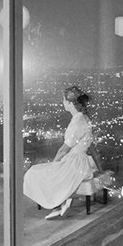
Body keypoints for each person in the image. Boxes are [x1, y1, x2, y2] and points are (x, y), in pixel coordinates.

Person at [24, 86, 93, 219]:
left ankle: (56, 204)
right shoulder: (84, 118)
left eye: (63, 100)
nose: (62, 103)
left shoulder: (77, 121)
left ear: (70, 103)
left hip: (74, 164)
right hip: (81, 163)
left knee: (34, 171)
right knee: (41, 171)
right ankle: (62, 204)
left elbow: (63, 150)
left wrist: (54, 163)